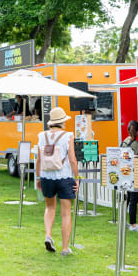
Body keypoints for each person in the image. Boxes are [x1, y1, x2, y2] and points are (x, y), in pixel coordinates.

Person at [35, 107, 80, 256]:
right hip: (64, 177)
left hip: (46, 177)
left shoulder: (42, 136)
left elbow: (39, 159)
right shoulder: (68, 136)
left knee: (49, 208)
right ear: (62, 122)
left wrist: (38, 177)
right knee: (66, 213)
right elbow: (72, 159)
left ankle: (48, 235)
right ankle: (65, 249)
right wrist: (77, 178)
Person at [122, 120, 138, 232]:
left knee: (127, 199)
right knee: (133, 200)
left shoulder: (125, 141)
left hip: (125, 173)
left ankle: (123, 220)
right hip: (134, 174)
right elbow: (136, 161)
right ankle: (133, 224)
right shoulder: (135, 144)